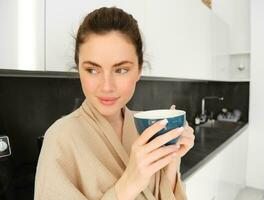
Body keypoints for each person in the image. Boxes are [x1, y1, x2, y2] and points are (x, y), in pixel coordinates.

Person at [34, 7, 194, 200]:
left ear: (139, 70)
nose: (107, 87)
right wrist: (129, 183)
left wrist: (172, 159)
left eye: (121, 70)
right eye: (93, 70)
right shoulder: (60, 138)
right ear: (79, 69)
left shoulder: (146, 127)